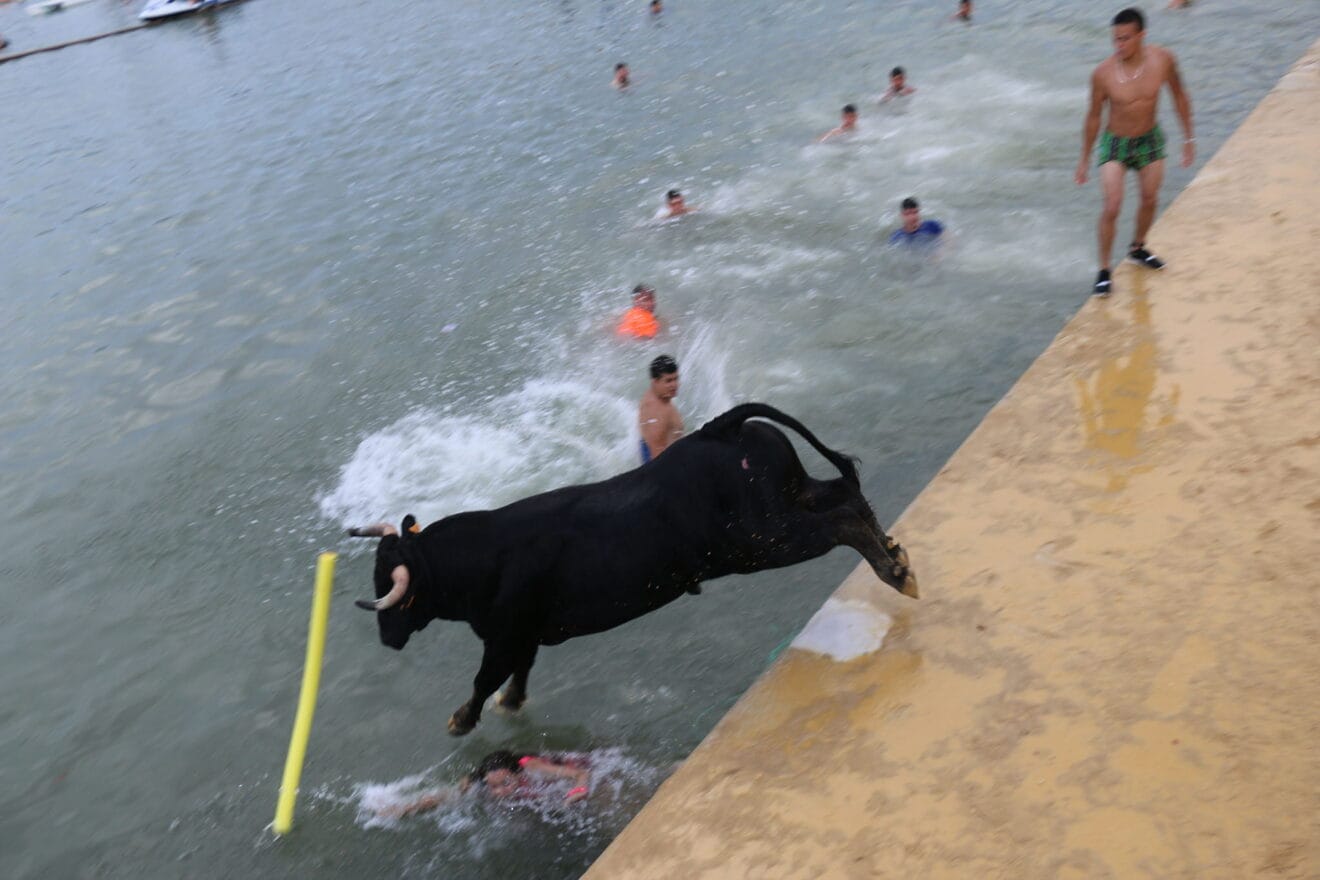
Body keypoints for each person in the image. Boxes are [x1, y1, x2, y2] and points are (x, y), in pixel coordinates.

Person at [1075, 7, 1194, 296]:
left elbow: (1179, 95)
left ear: (1142, 35)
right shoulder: (1103, 74)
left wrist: (1188, 138)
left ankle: (1137, 248)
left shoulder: (1163, 60)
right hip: (1115, 143)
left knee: (1150, 198)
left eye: (1125, 39)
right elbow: (1093, 116)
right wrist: (1085, 158)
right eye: (1115, 39)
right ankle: (1104, 270)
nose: (1119, 45)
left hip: (1149, 139)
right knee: (1113, 205)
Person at [382, 750, 591, 818]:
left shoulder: (532, 768)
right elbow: (445, 797)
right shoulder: (481, 783)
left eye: (506, 783)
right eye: (494, 786)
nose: (500, 791)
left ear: (518, 773)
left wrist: (579, 790)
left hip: (579, 762)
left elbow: (580, 773)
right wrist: (405, 808)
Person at [639, 355, 683, 464]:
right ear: (655, 382)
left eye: (676, 379)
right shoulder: (657, 414)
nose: (674, 385)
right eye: (668, 381)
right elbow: (657, 463)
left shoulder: (659, 396)